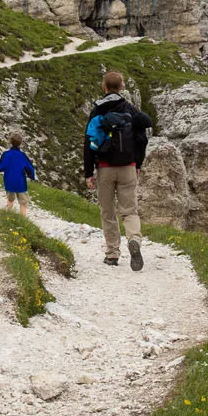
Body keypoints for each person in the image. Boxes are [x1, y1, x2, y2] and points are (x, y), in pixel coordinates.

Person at [83, 71, 153, 270]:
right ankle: (134, 241)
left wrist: (88, 172)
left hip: (105, 169)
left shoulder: (97, 111)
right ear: (122, 87)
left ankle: (112, 254)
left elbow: (88, 143)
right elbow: (142, 137)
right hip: (128, 168)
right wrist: (137, 164)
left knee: (108, 212)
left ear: (104, 87)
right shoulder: (130, 109)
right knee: (129, 211)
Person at [0, 132, 37, 216]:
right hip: (20, 182)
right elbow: (29, 168)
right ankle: (22, 220)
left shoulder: (6, 154)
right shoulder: (23, 156)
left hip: (9, 180)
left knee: (10, 200)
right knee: (23, 203)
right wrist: (32, 176)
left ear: (10, 142)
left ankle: (7, 215)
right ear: (21, 143)